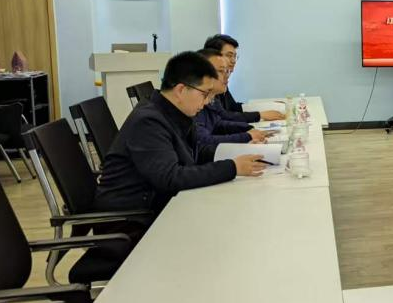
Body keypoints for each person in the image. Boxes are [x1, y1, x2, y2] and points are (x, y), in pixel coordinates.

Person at [94, 51, 267, 215]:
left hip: (163, 203)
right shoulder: (148, 121)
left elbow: (197, 151)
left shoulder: (175, 112)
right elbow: (171, 177)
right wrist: (232, 167)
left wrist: (238, 152)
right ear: (181, 90)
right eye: (204, 94)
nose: (207, 102)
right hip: (136, 217)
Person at [193, 48, 271, 159]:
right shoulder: (194, 103)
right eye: (221, 71)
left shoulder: (213, 95)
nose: (227, 75)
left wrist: (248, 129)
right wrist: (245, 137)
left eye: (227, 71)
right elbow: (203, 142)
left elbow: (219, 123)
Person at [203, 34, 285, 121]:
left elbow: (233, 107)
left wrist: (268, 106)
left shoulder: (223, 79)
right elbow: (223, 117)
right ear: (214, 56)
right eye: (229, 55)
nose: (233, 61)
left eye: (235, 56)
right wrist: (259, 115)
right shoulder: (208, 82)